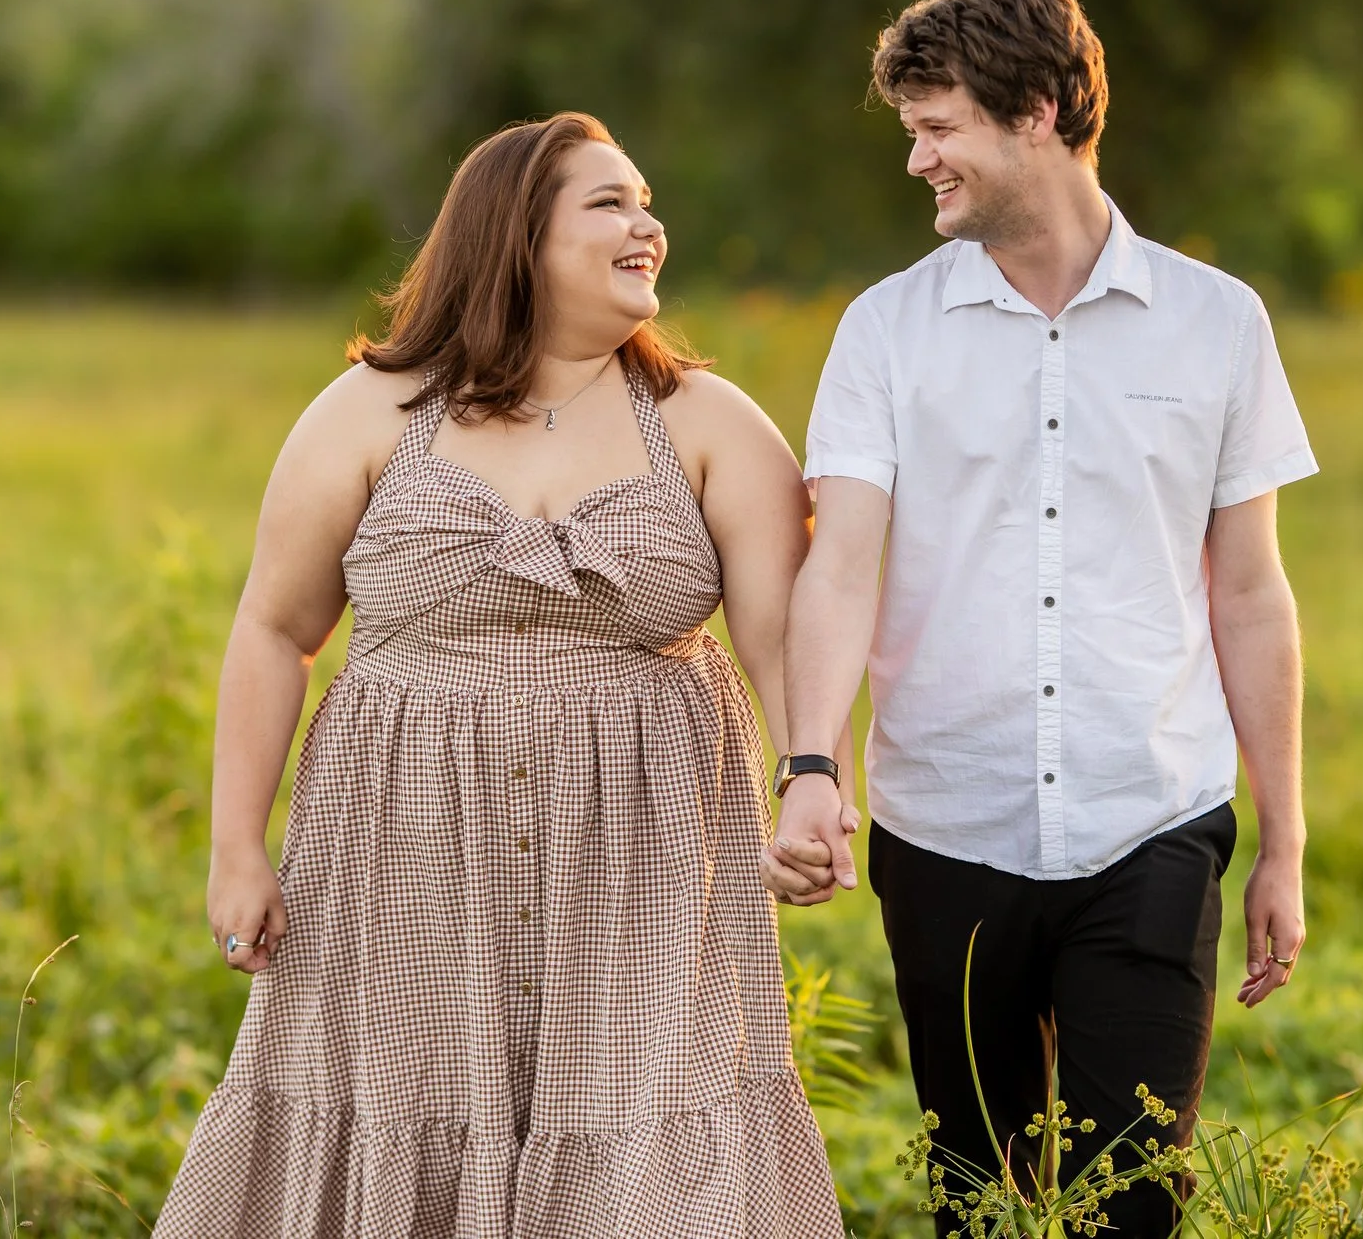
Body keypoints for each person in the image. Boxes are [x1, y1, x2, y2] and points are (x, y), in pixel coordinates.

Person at [157, 113, 847, 1239]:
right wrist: (237, 846)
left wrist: (810, 782)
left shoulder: (710, 423)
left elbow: (783, 641)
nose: (648, 225)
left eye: (647, 201)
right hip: (401, 853)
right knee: (401, 1113)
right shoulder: (371, 411)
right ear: (516, 235)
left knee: (646, 1148)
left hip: (644, 861)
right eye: (610, 202)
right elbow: (275, 629)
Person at [764, 0, 1315, 1238]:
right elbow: (837, 566)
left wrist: (1281, 839)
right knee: (976, 1197)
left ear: (1041, 112)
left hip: (1152, 818)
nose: (917, 159)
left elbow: (1250, 590)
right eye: (913, 129)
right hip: (945, 828)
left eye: (939, 126)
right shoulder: (884, 331)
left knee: (1132, 1202)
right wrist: (810, 765)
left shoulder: (1217, 323)